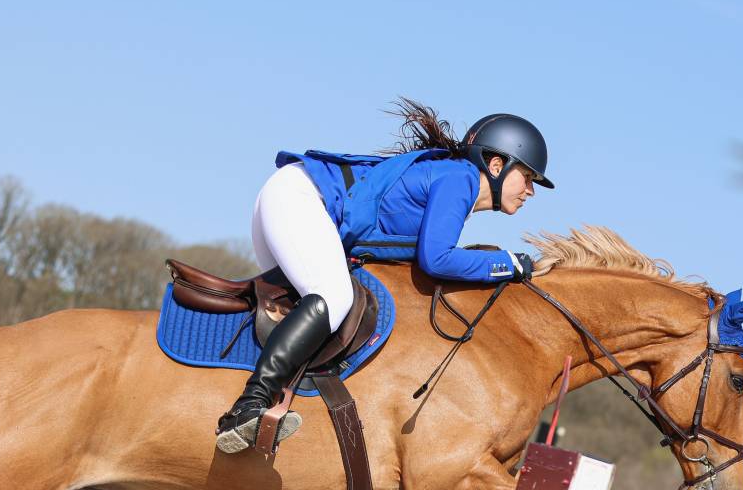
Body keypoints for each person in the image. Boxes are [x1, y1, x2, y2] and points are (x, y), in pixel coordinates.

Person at [215, 100, 554, 454]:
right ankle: (249, 406)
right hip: (300, 199)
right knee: (333, 296)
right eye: (527, 177)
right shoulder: (461, 179)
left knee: (307, 310)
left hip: (291, 198)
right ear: (497, 164)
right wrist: (508, 264)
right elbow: (436, 259)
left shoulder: (454, 180)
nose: (529, 190)